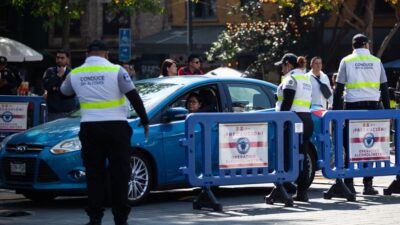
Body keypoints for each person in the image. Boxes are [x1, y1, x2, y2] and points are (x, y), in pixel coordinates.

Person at [60, 40, 149, 225]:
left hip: (90, 128)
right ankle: (120, 219)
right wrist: (145, 119)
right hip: (116, 128)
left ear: (87, 54)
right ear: (106, 54)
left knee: (94, 175)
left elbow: (64, 92)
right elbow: (133, 95)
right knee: (120, 174)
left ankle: (95, 218)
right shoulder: (117, 70)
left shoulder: (75, 73)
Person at [332, 33, 390, 195]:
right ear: (366, 45)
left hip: (352, 107)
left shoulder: (347, 61)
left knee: (350, 143)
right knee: (368, 145)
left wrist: (335, 113)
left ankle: (349, 183)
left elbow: (339, 89)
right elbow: (384, 88)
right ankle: (368, 185)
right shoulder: (376, 61)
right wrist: (388, 111)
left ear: (353, 46)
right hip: (373, 108)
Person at [275, 53, 313, 202]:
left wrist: (282, 122)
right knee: (301, 156)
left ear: (288, 64)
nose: (281, 70)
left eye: (282, 66)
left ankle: (284, 187)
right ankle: (302, 192)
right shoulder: (305, 78)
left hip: (292, 121)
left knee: (285, 155)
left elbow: (287, 103)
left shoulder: (291, 79)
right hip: (306, 120)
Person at [43, 50, 77, 121]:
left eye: (62, 58)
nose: (59, 60)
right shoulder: (50, 71)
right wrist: (58, 76)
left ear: (67, 59)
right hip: (53, 112)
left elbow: (74, 91)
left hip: (69, 112)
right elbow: (46, 86)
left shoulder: (72, 72)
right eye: (58, 57)